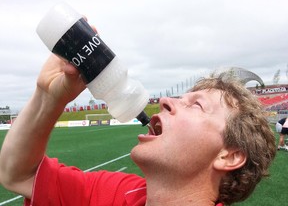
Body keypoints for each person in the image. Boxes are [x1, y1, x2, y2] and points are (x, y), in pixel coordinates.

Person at [0, 53, 276, 205]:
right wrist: (49, 96)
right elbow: (18, 174)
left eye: (196, 105)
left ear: (228, 156)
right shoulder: (119, 193)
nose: (167, 101)